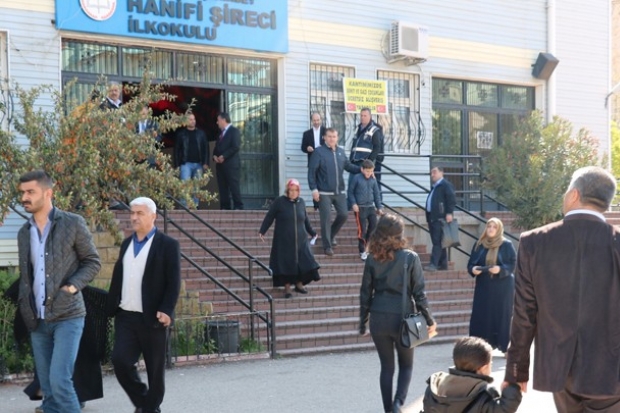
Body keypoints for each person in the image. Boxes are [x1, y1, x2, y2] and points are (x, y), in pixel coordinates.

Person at [503, 166, 620, 412]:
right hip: (611, 369)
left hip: (558, 369)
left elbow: (524, 314)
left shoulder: (533, 242)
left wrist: (516, 370)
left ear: (574, 194)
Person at [16, 170, 101, 413]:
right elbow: (28, 275)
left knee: (60, 382)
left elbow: (92, 262)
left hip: (68, 315)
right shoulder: (24, 232)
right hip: (37, 319)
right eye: (22, 192)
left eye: (30, 192)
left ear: (48, 193)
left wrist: (70, 288)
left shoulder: (72, 223)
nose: (24, 197)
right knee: (49, 392)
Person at [106, 197, 181, 413]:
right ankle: (146, 404)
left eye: (139, 213)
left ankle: (149, 408)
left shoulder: (168, 245)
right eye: (132, 213)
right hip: (126, 316)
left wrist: (167, 309)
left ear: (153, 216)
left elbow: (173, 281)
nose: (134, 217)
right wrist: (111, 305)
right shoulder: (126, 244)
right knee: (120, 361)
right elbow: (119, 278)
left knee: (155, 372)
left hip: (153, 318)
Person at [359, 213, 436, 413]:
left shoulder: (372, 258)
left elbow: (365, 293)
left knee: (386, 367)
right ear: (399, 234)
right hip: (402, 318)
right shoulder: (410, 257)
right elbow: (419, 293)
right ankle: (398, 404)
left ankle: (388, 410)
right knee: (406, 365)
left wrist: (362, 322)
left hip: (378, 318)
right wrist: (429, 320)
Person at [423, 336, 522, 412]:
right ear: (484, 368)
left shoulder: (435, 386)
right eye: (490, 363)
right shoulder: (484, 393)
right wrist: (511, 387)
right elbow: (504, 409)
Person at [259, 179, 321, 298]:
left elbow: (305, 220)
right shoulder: (279, 202)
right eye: (291, 190)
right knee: (286, 263)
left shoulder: (301, 202)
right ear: (287, 190)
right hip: (284, 240)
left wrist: (312, 232)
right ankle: (287, 287)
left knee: (303, 261)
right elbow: (270, 216)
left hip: (301, 240)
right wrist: (262, 231)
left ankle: (299, 284)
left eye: (296, 190)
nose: (293, 193)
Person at [307, 127, 360, 256]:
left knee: (343, 215)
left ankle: (330, 235)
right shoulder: (318, 152)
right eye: (329, 136)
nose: (332, 139)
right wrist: (314, 189)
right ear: (324, 138)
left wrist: (362, 169)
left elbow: (348, 166)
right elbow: (311, 172)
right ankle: (327, 246)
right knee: (326, 219)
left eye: (334, 136)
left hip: (339, 192)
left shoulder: (340, 152)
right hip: (323, 192)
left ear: (337, 138)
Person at [467, 218, 516, 355]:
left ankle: (505, 347)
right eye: (489, 226)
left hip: (503, 286)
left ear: (499, 229)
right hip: (484, 285)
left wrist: (500, 269)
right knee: (481, 315)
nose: (491, 229)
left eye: (494, 227)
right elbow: (471, 264)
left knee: (502, 316)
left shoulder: (506, 244)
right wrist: (473, 269)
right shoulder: (479, 244)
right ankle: (478, 347)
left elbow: (513, 263)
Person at [348, 107, 384, 209]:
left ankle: (374, 208)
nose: (362, 117)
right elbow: (354, 146)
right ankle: (350, 208)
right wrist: (350, 159)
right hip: (354, 163)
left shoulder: (374, 129)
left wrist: (369, 163)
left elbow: (377, 147)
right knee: (351, 186)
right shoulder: (357, 128)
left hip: (364, 164)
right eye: (361, 115)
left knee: (365, 188)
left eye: (365, 115)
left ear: (370, 116)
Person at [348, 159, 384, 260]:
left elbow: (376, 194)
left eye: (371, 171)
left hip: (370, 207)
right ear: (362, 169)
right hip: (360, 208)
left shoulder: (373, 180)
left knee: (373, 227)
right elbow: (350, 192)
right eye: (367, 171)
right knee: (362, 230)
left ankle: (368, 247)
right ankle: (362, 250)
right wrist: (353, 204)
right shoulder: (356, 178)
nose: (369, 173)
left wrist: (379, 207)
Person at [424, 166, 456, 272]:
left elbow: (451, 199)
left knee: (437, 241)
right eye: (431, 172)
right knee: (439, 242)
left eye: (434, 172)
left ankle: (434, 264)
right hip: (432, 217)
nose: (432, 175)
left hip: (440, 217)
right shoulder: (435, 186)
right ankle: (443, 264)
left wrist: (449, 213)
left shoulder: (445, 185)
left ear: (441, 172)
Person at [175, 112, 209, 206]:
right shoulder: (181, 134)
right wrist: (177, 165)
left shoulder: (201, 134)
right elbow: (176, 150)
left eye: (194, 119)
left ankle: (195, 207)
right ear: (186, 121)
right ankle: (184, 207)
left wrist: (205, 162)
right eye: (190, 119)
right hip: (185, 164)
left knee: (196, 188)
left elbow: (206, 149)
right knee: (184, 186)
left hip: (199, 164)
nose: (193, 121)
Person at [213, 112, 244, 210]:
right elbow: (217, 147)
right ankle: (225, 207)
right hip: (220, 166)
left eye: (218, 120)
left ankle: (238, 206)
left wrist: (224, 156)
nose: (217, 123)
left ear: (223, 120)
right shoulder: (220, 133)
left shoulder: (234, 131)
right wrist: (214, 156)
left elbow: (235, 146)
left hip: (231, 165)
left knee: (234, 186)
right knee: (222, 188)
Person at [301, 112, 326, 210]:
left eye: (318, 120)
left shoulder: (326, 132)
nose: (316, 122)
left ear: (321, 120)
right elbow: (303, 147)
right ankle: (316, 205)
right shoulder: (307, 134)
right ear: (311, 121)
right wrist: (307, 148)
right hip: (312, 161)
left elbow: (332, 145)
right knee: (314, 183)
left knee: (324, 182)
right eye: (314, 120)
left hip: (324, 161)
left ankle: (325, 204)